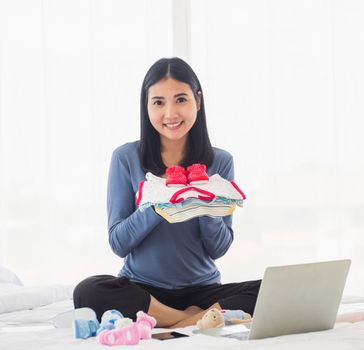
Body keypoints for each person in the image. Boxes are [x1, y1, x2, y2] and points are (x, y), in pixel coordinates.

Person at [73, 57, 260, 328]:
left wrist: (203, 203)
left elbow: (218, 248)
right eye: (159, 102)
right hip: (145, 291)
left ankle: (170, 320)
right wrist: (160, 203)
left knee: (272, 289)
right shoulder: (125, 158)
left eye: (181, 100)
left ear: (198, 100)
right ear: (146, 106)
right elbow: (119, 242)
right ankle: (191, 320)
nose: (171, 113)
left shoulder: (221, 162)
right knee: (88, 291)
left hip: (203, 290)